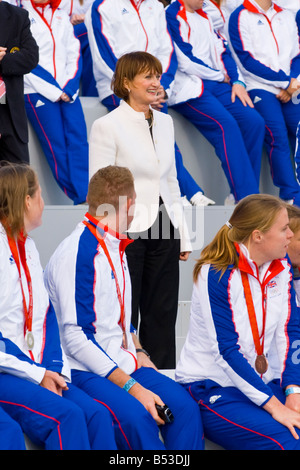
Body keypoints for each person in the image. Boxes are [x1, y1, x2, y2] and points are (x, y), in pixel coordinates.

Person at [44, 164, 204, 450]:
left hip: (125, 361)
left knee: (186, 409)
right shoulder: (80, 252)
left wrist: (139, 351)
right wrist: (132, 386)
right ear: (129, 204)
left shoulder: (115, 245)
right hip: (86, 370)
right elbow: (76, 338)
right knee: (137, 418)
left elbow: (120, 316)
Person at [0, 161, 119, 450]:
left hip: (35, 367)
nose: (43, 202)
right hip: (8, 371)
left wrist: (52, 367)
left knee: (97, 415)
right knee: (67, 416)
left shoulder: (28, 246)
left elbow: (45, 314)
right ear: (27, 201)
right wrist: (37, 373)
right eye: (40, 195)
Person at [88, 52, 192, 369]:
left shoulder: (166, 122)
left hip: (164, 224)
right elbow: (100, 183)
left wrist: (183, 235)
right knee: (125, 310)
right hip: (125, 227)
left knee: (161, 311)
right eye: (147, 76)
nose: (155, 83)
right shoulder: (107, 125)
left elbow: (170, 179)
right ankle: (128, 378)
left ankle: (163, 379)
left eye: (157, 76)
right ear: (125, 83)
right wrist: (106, 235)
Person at [175, 193, 300, 450]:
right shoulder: (217, 273)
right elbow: (227, 351)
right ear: (258, 236)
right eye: (284, 228)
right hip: (212, 387)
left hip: (261, 383)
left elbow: (290, 330)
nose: (291, 235)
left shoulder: (281, 265)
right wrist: (275, 406)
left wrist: (293, 391)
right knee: (287, 441)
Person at [85, 0, 215, 206]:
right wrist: (135, 88)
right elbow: (103, 55)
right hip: (117, 87)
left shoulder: (154, 5)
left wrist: (157, 86)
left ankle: (183, 194)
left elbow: (167, 50)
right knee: (148, 137)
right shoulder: (103, 6)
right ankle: (189, 192)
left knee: (161, 134)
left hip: (153, 89)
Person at [165, 0, 265, 205]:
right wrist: (220, 76)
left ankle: (240, 196)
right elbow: (185, 60)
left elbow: (223, 51)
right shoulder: (170, 14)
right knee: (225, 125)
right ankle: (248, 199)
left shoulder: (207, 13)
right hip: (189, 87)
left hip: (218, 83)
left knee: (254, 122)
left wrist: (236, 80)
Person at [228, 0, 300, 206]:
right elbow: (246, 60)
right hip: (259, 86)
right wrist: (285, 82)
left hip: (291, 85)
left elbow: (297, 55)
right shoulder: (240, 16)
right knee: (276, 134)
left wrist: (292, 82)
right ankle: (291, 196)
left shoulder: (285, 15)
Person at [18, 0, 89, 205]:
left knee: (79, 141)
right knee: (56, 146)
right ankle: (79, 197)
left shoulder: (60, 15)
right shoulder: (19, 14)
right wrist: (54, 91)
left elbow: (74, 52)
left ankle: (87, 193)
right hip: (37, 91)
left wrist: (69, 85)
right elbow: (23, 58)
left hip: (67, 91)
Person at [0, 0, 38, 163]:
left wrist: (3, 60)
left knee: (21, 181)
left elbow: (31, 57)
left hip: (11, 114)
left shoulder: (18, 16)